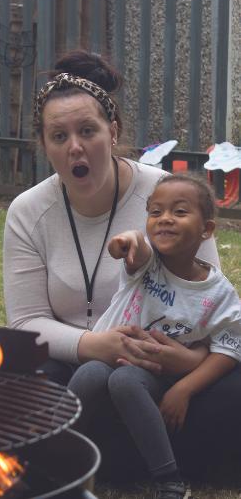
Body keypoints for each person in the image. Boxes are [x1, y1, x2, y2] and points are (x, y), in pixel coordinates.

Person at [3, 49, 240, 479]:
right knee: (18, 381)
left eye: (88, 131)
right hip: (75, 365)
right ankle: (143, 457)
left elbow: (209, 299)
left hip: (162, 364)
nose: (75, 146)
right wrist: (96, 345)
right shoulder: (27, 211)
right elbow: (27, 322)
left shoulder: (168, 196)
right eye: (59, 136)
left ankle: (98, 453)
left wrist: (186, 366)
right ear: (44, 145)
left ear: (113, 132)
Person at [68, 173, 241, 498]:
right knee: (88, 374)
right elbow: (132, 245)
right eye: (156, 211)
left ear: (206, 229)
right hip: (106, 359)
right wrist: (126, 241)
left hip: (154, 376)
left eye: (179, 211)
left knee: (126, 381)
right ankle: (56, 454)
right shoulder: (147, 266)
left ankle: (170, 478)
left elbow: (229, 350)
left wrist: (185, 389)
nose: (165, 220)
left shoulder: (218, 294)